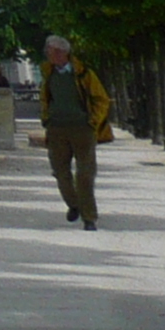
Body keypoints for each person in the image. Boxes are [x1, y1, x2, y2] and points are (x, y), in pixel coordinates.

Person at [42, 32, 112, 231]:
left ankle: (89, 218)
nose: (48, 54)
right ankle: (74, 205)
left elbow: (101, 99)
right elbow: (45, 99)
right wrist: (46, 119)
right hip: (57, 129)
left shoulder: (83, 73)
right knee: (60, 172)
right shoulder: (48, 74)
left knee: (85, 175)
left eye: (51, 50)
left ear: (62, 52)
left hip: (82, 129)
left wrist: (93, 122)